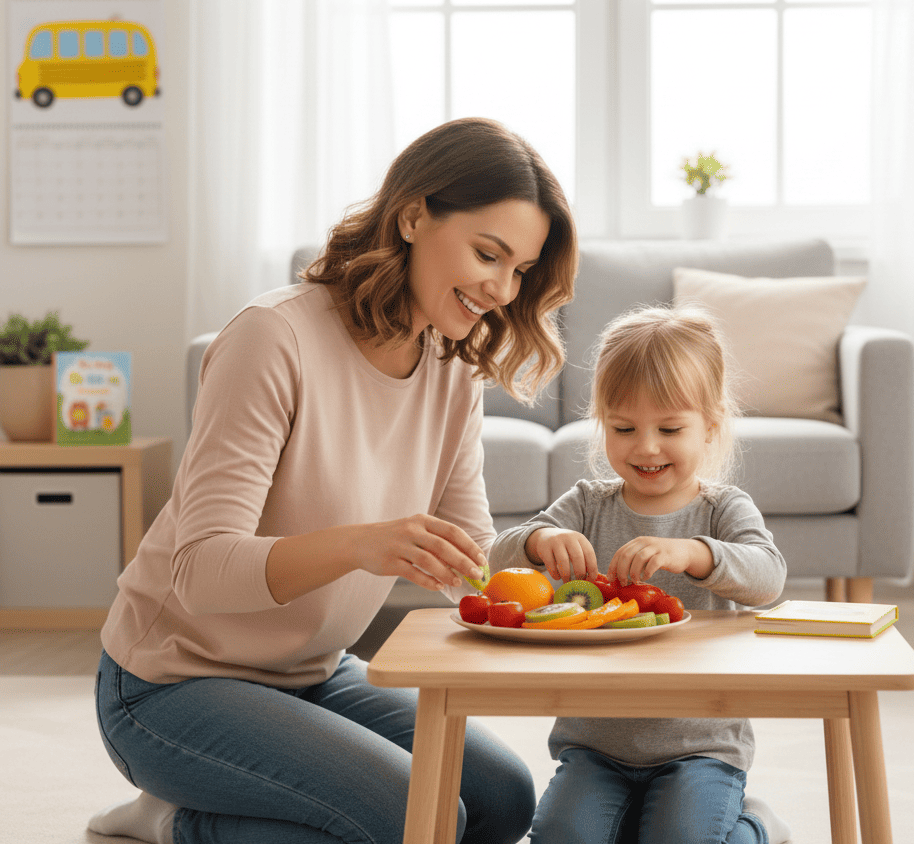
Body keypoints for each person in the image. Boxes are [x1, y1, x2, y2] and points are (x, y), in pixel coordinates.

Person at [88, 117, 578, 844]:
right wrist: (360, 545)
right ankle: (176, 822)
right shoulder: (273, 338)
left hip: (312, 673)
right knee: (411, 818)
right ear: (412, 216)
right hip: (170, 683)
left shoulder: (451, 367)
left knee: (502, 801)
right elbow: (199, 571)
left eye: (520, 271)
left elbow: (468, 556)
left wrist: (542, 571)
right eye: (488, 254)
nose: (502, 289)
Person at [489, 304, 792, 844]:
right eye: (623, 427)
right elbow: (498, 557)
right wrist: (539, 541)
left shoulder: (722, 509)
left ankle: (758, 826)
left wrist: (693, 554)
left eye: (670, 428)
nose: (646, 446)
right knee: (561, 836)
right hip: (595, 744)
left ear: (710, 426)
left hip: (700, 745)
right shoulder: (587, 503)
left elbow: (768, 577)